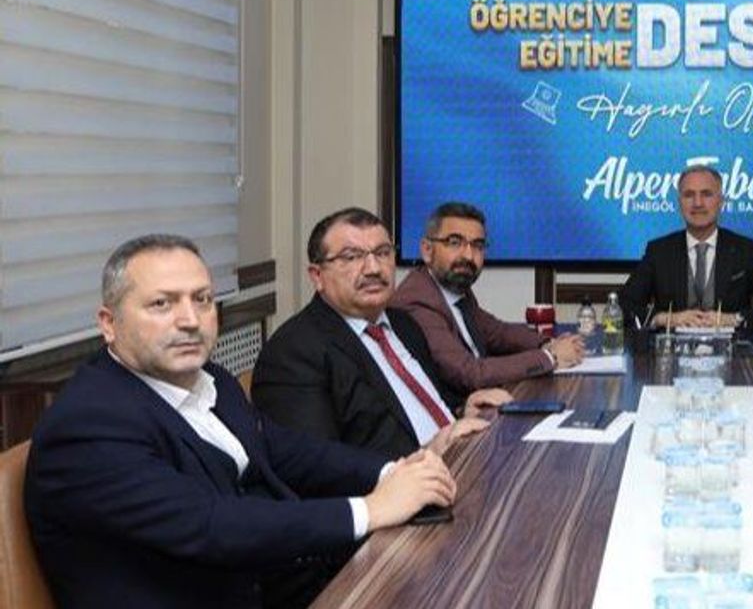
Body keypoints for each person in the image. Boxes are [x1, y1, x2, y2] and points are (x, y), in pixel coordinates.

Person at [24, 235, 457, 609]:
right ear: (109, 324)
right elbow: (210, 525)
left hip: (278, 582)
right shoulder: (87, 425)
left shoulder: (210, 379)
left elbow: (280, 448)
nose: (189, 320)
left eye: (202, 299)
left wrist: (393, 471)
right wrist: (370, 509)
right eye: (161, 304)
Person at [253, 208, 510, 461]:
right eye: (352, 257)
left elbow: (420, 406)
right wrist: (423, 457)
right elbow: (314, 464)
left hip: (462, 459)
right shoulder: (293, 352)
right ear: (317, 276)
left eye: (383, 253)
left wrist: (463, 410)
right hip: (407, 483)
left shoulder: (403, 324)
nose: (373, 268)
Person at [391, 202, 584, 390]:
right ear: (427, 250)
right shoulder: (418, 300)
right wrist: (551, 357)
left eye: (477, 245)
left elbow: (498, 332)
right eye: (455, 243)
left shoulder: (455, 289)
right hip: (457, 408)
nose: (468, 256)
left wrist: (549, 343)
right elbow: (469, 373)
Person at [618, 165, 753, 329]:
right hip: (671, 349)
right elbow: (621, 307)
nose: (698, 203)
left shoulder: (746, 250)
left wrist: (733, 319)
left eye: (706, 194)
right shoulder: (659, 251)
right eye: (689, 195)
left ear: (721, 201)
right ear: (679, 203)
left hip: (732, 349)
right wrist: (665, 318)